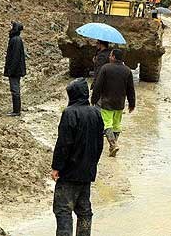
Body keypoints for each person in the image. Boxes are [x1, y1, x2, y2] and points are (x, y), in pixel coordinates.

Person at [51, 78, 104, 236]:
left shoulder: (69, 113)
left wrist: (57, 167)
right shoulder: (96, 112)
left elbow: (64, 144)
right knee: (84, 211)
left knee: (63, 210)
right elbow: (99, 144)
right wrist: (92, 164)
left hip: (69, 172)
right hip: (87, 172)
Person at [91, 49, 135, 157]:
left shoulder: (105, 68)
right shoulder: (127, 71)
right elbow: (131, 89)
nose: (109, 57)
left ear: (114, 57)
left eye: (110, 55)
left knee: (107, 123)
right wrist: (132, 103)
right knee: (117, 124)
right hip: (120, 103)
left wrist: (94, 99)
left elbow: (98, 85)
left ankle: (113, 144)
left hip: (107, 102)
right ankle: (112, 146)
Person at [3, 21, 26, 117]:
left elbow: (15, 57)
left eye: (11, 26)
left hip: (15, 70)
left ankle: (16, 111)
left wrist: (11, 71)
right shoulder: (16, 39)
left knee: (15, 90)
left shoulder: (15, 40)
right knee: (15, 89)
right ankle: (16, 110)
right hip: (16, 69)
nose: (10, 27)